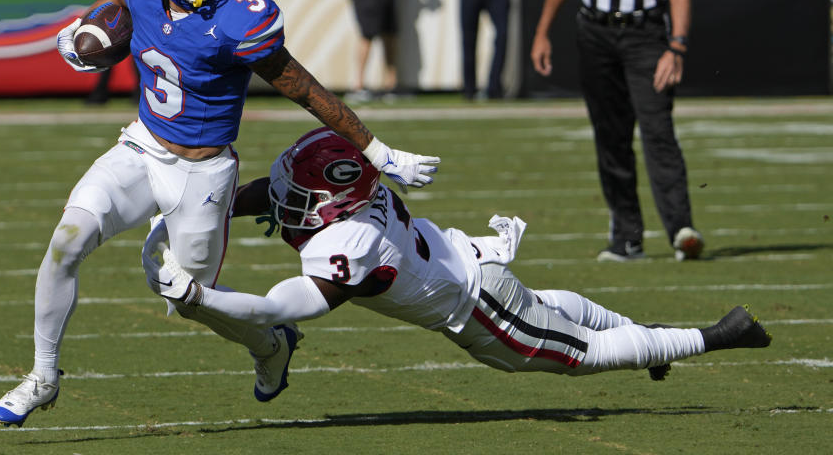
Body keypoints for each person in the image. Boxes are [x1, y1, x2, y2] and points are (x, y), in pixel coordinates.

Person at [0, 0, 440, 428]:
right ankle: (42, 375)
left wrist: (377, 149)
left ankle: (271, 345)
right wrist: (89, 27)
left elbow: (304, 87)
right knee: (67, 241)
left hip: (203, 172)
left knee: (188, 296)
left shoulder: (243, 15)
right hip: (141, 146)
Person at [143, 126, 771, 394]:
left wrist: (202, 298)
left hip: (478, 310)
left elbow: (280, 307)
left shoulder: (349, 245)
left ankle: (712, 337)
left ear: (332, 204)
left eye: (301, 195)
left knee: (579, 355)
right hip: (477, 268)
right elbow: (269, 190)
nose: (286, 197)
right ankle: (650, 337)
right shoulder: (349, 195)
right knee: (555, 310)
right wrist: (199, 207)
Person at [529, 0, 704, 263]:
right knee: (611, 136)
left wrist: (677, 45)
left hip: (646, 35)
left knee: (658, 128)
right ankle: (626, 238)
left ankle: (681, 228)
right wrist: (541, 31)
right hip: (595, 32)